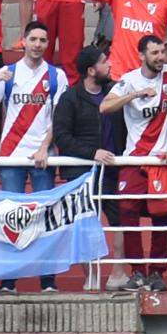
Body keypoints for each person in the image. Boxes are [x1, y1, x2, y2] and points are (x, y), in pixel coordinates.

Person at [0, 21, 67, 292]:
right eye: (33, 39)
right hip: (11, 157)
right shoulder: (7, 73)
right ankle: (9, 281)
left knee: (43, 218)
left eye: (43, 40)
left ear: (48, 44)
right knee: (10, 219)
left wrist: (44, 147)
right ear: (23, 41)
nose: (37, 44)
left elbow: (57, 119)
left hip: (42, 157)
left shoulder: (56, 76)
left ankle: (47, 281)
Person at [100, 34, 167, 293]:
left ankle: (157, 272)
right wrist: (134, 95)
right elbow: (105, 106)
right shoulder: (129, 79)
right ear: (141, 55)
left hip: (162, 159)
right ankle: (137, 272)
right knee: (127, 212)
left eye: (162, 52)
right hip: (134, 157)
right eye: (154, 53)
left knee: (163, 215)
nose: (160, 57)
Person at [53, 44, 125, 291]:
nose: (110, 65)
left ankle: (118, 273)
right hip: (82, 174)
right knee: (85, 224)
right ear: (92, 70)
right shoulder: (70, 98)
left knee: (120, 219)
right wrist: (92, 153)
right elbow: (62, 136)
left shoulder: (115, 92)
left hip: (114, 170)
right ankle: (91, 276)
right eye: (105, 61)